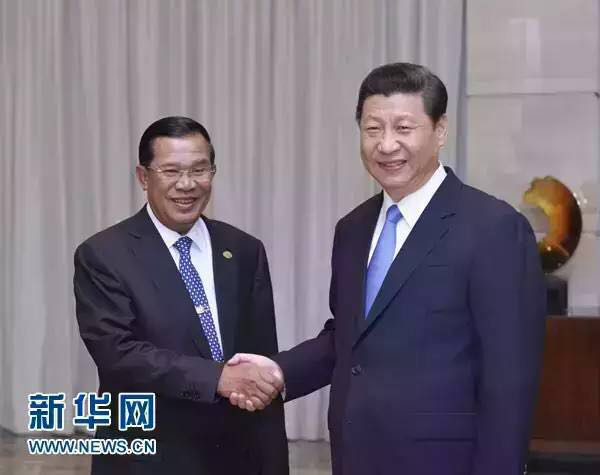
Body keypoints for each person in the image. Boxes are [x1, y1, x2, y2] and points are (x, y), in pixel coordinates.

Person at [229, 63, 546, 475]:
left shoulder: (493, 227)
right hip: (355, 456)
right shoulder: (353, 228)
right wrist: (278, 370)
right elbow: (350, 337)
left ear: (440, 130)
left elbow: (509, 377)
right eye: (373, 129)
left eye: (403, 128)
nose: (386, 144)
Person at [73, 116, 288, 474]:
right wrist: (216, 378)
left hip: (238, 454)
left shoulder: (243, 249)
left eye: (199, 170)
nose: (187, 184)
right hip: (150, 456)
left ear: (212, 173)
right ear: (144, 177)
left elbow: (262, 357)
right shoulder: (104, 254)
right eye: (171, 171)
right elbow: (118, 354)